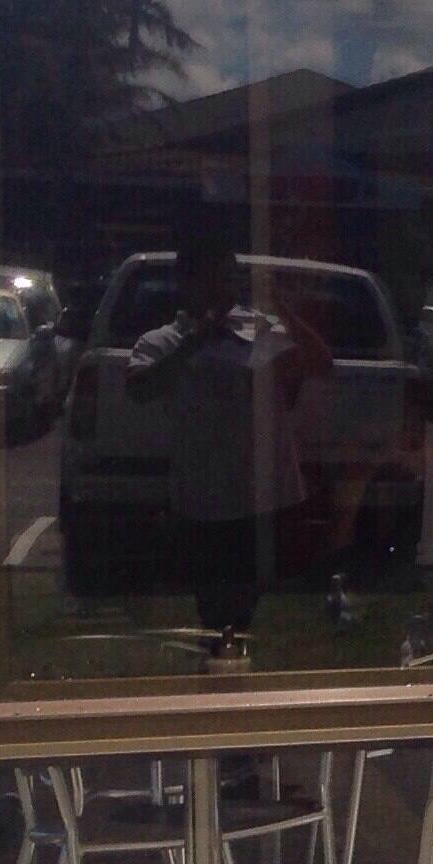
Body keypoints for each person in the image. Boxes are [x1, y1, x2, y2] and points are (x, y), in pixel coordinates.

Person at [124, 214, 333, 642]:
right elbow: (140, 388)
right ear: (187, 282)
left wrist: (281, 307)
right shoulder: (162, 341)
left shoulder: (258, 330)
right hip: (203, 502)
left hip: (263, 500)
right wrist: (196, 343)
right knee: (213, 610)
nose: (223, 288)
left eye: (229, 278)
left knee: (256, 610)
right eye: (211, 278)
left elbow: (319, 361)